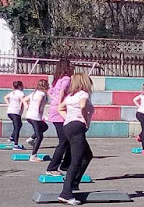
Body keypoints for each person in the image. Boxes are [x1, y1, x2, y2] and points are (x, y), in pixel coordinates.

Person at [58, 73, 94, 205]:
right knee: (76, 161)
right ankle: (66, 193)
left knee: (87, 155)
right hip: (77, 127)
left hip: (68, 126)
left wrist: (68, 117)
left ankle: (73, 183)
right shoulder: (83, 94)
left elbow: (60, 108)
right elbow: (83, 106)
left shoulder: (71, 96)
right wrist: (83, 119)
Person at [46, 60, 73, 176]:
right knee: (64, 140)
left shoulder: (57, 79)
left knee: (67, 140)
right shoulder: (66, 79)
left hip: (54, 108)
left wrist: (55, 100)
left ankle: (65, 165)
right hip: (60, 110)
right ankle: (52, 167)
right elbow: (62, 92)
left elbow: (50, 91)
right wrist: (61, 104)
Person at [23, 79, 49, 162]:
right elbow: (39, 103)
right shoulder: (42, 94)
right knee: (39, 136)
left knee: (44, 127)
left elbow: (24, 99)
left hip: (30, 116)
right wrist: (39, 111)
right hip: (35, 116)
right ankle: (33, 155)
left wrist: (27, 107)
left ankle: (31, 139)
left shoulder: (34, 93)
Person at [4, 81, 25, 150]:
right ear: (20, 86)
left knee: (19, 125)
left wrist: (9, 104)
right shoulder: (21, 93)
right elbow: (22, 101)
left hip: (10, 111)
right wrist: (20, 107)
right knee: (17, 127)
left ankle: (12, 137)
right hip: (16, 111)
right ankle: (16, 144)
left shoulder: (12, 92)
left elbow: (5, 97)